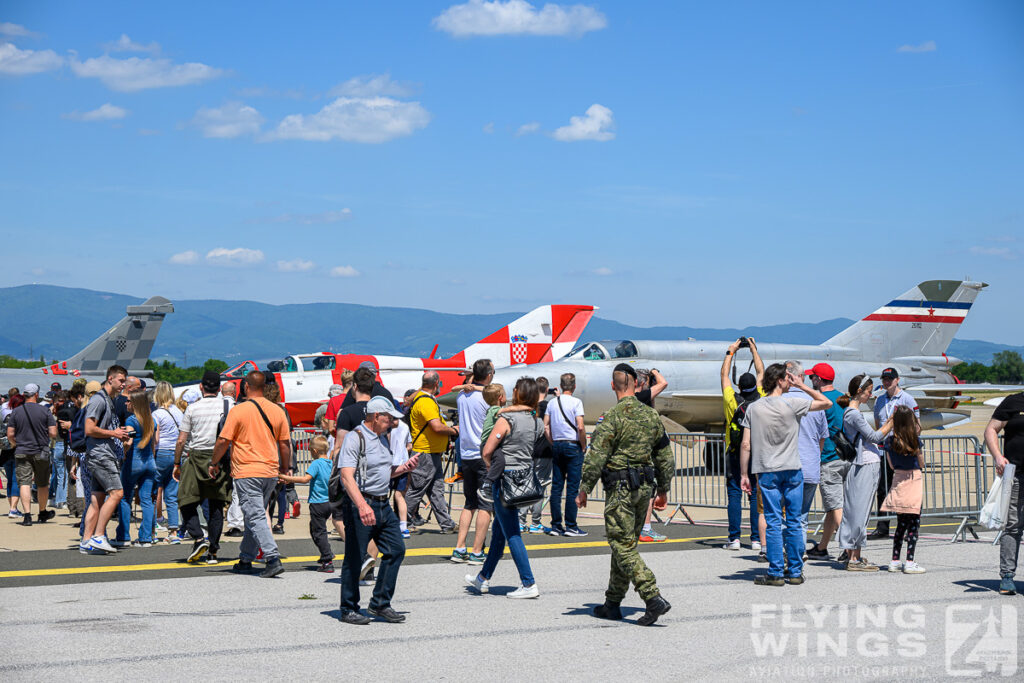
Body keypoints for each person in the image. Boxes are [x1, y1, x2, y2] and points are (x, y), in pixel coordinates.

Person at [576, 364, 675, 625]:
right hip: (644, 488)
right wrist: (663, 489)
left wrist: (584, 487)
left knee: (621, 544)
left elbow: (597, 455)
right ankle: (613, 603)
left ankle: (652, 596)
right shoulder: (652, 416)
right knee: (626, 544)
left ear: (613, 386)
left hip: (620, 489)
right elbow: (665, 456)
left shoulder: (612, 417)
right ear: (635, 385)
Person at [740, 364, 831, 586]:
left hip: (767, 470)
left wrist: (744, 473)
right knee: (793, 520)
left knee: (772, 520)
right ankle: (796, 571)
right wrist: (803, 386)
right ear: (780, 380)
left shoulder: (754, 407)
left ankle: (776, 571)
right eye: (787, 378)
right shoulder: (793, 403)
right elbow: (826, 402)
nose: (790, 382)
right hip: (791, 468)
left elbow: (746, 444)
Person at [338, 396, 420, 625]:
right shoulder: (356, 438)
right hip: (361, 504)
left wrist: (403, 468)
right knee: (355, 558)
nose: (393, 422)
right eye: (389, 418)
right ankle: (348, 608)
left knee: (396, 550)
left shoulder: (383, 438)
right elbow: (346, 475)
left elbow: (383, 471)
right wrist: (362, 505)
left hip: (383, 504)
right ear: (376, 417)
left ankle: (380, 603)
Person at [466, 377, 544, 600]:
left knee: (512, 533)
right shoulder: (535, 420)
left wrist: (491, 469)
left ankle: (528, 583)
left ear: (518, 393)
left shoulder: (507, 418)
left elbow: (487, 450)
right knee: (500, 531)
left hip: (506, 479)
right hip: (524, 477)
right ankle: (483, 577)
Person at [215, 371, 291, 578]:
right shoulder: (277, 411)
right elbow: (284, 443)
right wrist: (286, 467)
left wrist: (214, 462)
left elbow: (223, 441)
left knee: (255, 515)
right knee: (254, 515)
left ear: (246, 387)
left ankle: (272, 557)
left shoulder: (239, 411)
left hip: (247, 470)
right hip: (270, 471)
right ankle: (245, 558)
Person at [174, 370, 233, 565]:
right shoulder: (229, 405)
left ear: (201, 387)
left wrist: (176, 463)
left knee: (185, 500)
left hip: (197, 455)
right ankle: (213, 551)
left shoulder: (193, 408)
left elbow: (182, 440)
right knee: (216, 505)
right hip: (221, 456)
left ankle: (198, 537)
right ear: (219, 388)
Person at [838, 374, 893, 571]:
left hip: (862, 464)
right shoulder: (854, 414)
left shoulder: (850, 413)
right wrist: (892, 421)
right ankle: (854, 558)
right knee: (860, 511)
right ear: (859, 391)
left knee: (856, 510)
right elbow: (874, 436)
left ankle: (854, 555)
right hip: (865, 464)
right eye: (869, 391)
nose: (871, 394)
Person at [721, 337, 765, 552]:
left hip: (735, 453)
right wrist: (754, 349)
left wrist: (731, 352)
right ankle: (756, 539)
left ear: (740, 386)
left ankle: (734, 539)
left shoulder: (732, 400)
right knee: (756, 496)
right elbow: (761, 373)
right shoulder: (762, 398)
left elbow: (724, 376)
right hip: (759, 453)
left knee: (735, 495)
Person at [80, 366, 130, 554]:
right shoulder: (99, 400)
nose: (123, 384)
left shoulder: (108, 400)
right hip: (101, 455)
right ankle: (99, 535)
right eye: (121, 380)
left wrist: (117, 435)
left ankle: (86, 540)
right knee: (117, 493)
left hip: (100, 453)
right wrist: (114, 433)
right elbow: (89, 429)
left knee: (97, 498)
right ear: (110, 379)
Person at [451, 359, 495, 564]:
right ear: (488, 375)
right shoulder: (486, 397)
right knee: (486, 505)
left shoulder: (462, 395)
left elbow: (460, 387)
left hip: (466, 454)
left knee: (469, 504)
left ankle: (460, 547)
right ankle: (477, 550)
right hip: (483, 454)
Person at [869, 367, 920, 540]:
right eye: (884, 379)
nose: (886, 382)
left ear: (897, 380)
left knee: (903, 490)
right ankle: (882, 527)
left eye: (890, 379)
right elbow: (878, 424)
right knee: (882, 489)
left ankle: (904, 527)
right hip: (885, 450)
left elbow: (917, 426)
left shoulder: (907, 399)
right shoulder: (879, 400)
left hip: (902, 450)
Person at [404, 371, 457, 533]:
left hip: (431, 452)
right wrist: (454, 430)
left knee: (436, 490)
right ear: (436, 384)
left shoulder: (421, 398)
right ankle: (401, 521)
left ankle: (446, 524)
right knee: (416, 490)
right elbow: (437, 426)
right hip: (425, 452)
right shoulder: (426, 402)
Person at [784, 361, 828, 553]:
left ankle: (789, 554)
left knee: (786, 517)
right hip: (810, 466)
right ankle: (799, 555)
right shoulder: (815, 403)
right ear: (801, 377)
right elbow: (822, 438)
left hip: (787, 467)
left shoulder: (780, 401)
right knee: (802, 516)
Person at [805, 363, 848, 560]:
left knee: (835, 505)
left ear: (819, 379)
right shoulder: (842, 398)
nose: (810, 380)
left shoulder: (819, 401)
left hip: (828, 457)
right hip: (845, 456)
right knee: (832, 506)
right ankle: (822, 547)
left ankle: (849, 548)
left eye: (812, 377)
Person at [984, 390, 1024, 595]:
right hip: (1015, 475)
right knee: (1013, 526)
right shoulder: (1013, 401)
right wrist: (998, 456)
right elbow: (991, 429)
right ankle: (1007, 576)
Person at [278, 435, 335, 572]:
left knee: (319, 532)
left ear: (314, 451)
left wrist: (286, 477)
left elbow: (305, 479)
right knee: (315, 528)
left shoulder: (316, 463)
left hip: (318, 503)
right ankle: (325, 552)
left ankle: (327, 559)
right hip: (329, 502)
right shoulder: (331, 463)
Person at [881, 406, 926, 574]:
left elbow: (891, 464)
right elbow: (921, 463)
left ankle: (894, 560)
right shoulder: (915, 440)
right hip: (913, 478)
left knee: (900, 524)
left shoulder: (889, 442)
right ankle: (910, 561)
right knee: (913, 524)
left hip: (898, 478)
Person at [6, 382, 58, 526]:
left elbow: (10, 434)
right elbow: (53, 433)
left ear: (24, 395)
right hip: (41, 451)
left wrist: (16, 443)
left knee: (24, 483)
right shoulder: (45, 411)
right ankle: (42, 512)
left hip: (22, 451)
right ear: (37, 394)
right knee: (42, 483)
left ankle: (27, 515)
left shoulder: (16, 411)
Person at [544, 372, 587, 537]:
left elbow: (546, 426)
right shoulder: (577, 402)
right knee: (572, 487)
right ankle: (571, 525)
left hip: (558, 445)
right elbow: (581, 426)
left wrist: (552, 441)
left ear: (561, 386)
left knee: (556, 487)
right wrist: (583, 445)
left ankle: (556, 525)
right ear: (574, 386)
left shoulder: (552, 403)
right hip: (572, 445)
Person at [115, 389, 159, 546]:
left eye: (129, 401)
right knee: (146, 500)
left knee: (125, 497)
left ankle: (123, 536)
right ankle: (146, 537)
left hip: (134, 462)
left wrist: (124, 452)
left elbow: (129, 441)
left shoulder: (131, 421)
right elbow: (155, 442)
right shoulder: (151, 420)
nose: (126, 403)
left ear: (135, 404)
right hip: (150, 463)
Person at [635, 368, 669, 542]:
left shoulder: (631, 400)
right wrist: (655, 372)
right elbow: (664, 383)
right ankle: (646, 528)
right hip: (646, 453)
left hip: (634, 452)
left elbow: (653, 410)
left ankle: (638, 527)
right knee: (649, 489)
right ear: (642, 382)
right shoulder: (640, 397)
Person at [152, 381, 183, 542]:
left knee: (154, 491)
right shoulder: (178, 412)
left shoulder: (157, 414)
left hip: (160, 453)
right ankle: (173, 532)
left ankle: (152, 531)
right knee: (172, 494)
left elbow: (155, 439)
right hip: (176, 454)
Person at [2, 392, 23, 518]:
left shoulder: (4, 416)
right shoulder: (17, 416)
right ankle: (13, 508)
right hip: (16, 449)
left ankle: (12, 507)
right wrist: (15, 443)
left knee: (10, 480)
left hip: (5, 450)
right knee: (16, 480)